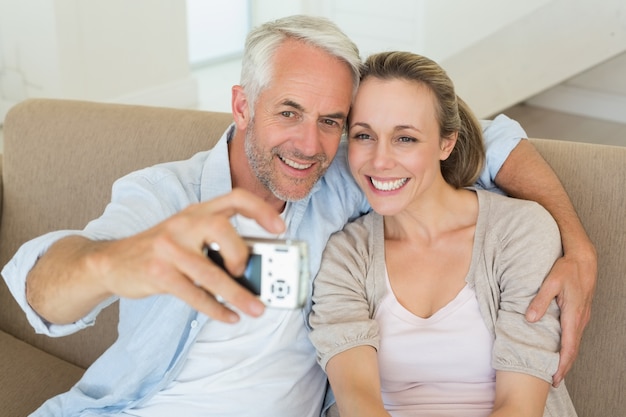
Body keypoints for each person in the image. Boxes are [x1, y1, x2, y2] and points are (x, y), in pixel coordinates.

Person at [1, 15, 592, 417]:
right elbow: (45, 294)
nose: (310, 144)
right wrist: (111, 264)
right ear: (242, 104)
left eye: (332, 120)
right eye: (288, 111)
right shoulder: (165, 197)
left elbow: (483, 138)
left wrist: (578, 245)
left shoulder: (342, 182)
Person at [309, 51, 578, 417]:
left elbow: (520, 406)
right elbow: (358, 401)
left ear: (446, 143)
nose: (380, 160)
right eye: (364, 135)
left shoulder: (519, 231)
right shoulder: (346, 252)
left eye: (405, 139)